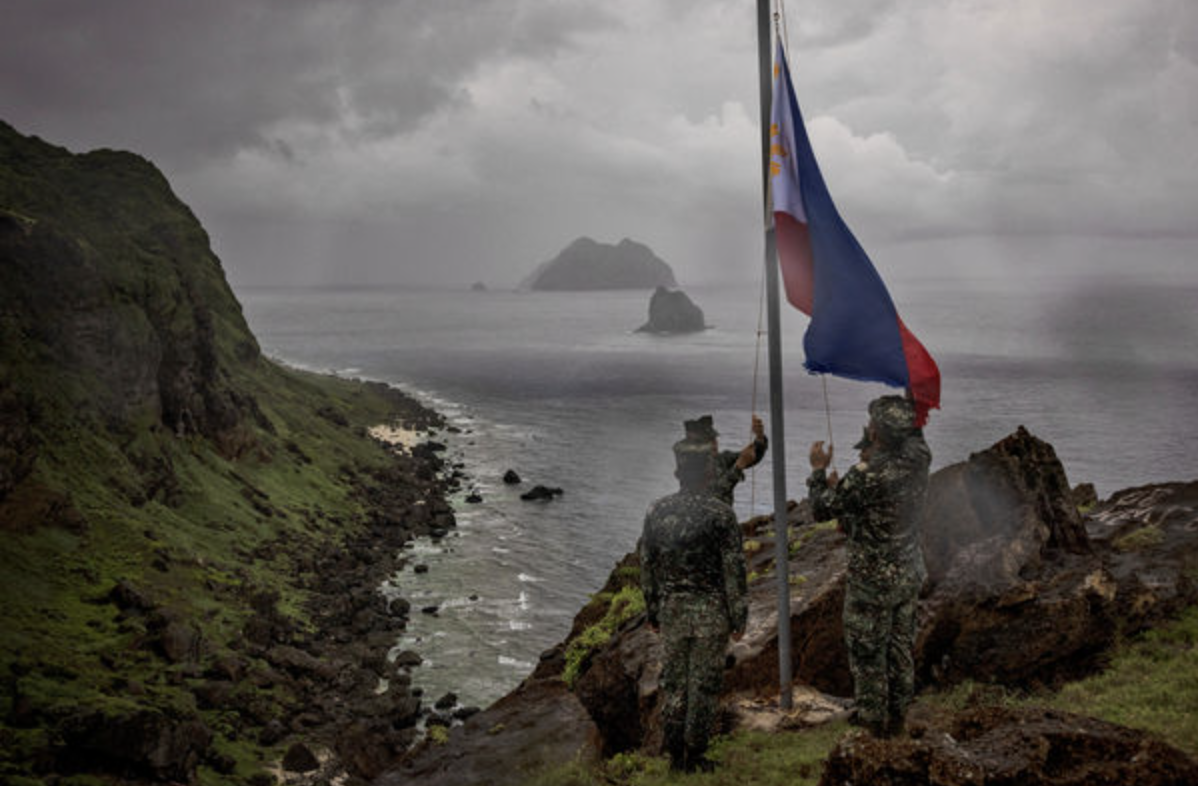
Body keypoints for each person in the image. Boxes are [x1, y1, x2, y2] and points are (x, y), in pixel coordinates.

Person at [806, 395, 930, 737]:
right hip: (908, 571)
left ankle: (873, 725)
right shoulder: (920, 458)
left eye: (872, 424)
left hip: (872, 582)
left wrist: (818, 471)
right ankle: (899, 718)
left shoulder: (867, 474)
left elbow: (820, 510)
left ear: (875, 434)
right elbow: (914, 434)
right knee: (900, 648)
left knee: (868, 653)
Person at [640, 435, 748, 771]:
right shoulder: (721, 514)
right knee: (703, 685)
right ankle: (695, 755)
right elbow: (734, 569)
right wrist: (738, 616)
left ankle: (674, 757)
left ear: (678, 472)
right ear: (708, 473)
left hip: (673, 610)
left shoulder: (657, 511)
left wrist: (653, 610)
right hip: (711, 613)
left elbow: (648, 565)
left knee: (674, 683)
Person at [684, 414, 768, 507]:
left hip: (724, 516)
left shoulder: (722, 459)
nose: (714, 444)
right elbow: (715, 493)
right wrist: (738, 467)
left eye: (714, 439)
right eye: (709, 440)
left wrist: (759, 437)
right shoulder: (690, 466)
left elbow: (751, 457)